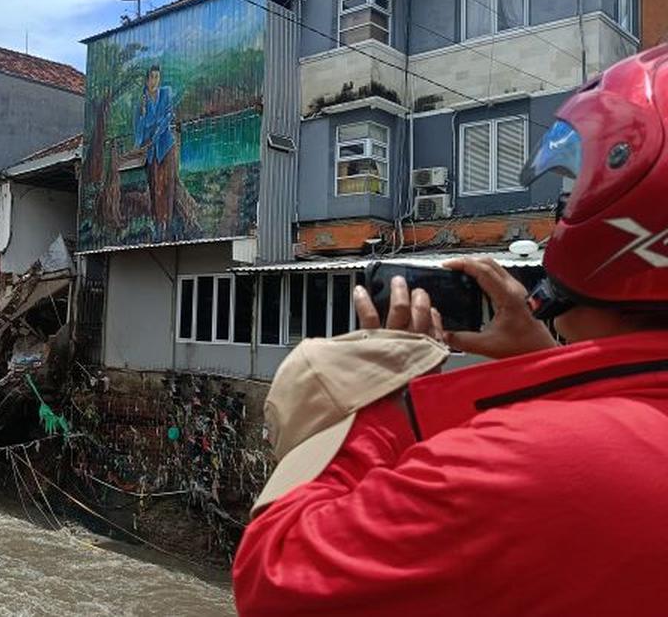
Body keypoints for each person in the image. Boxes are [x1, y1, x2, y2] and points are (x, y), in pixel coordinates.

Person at [233, 45, 668, 616]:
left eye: (571, 191)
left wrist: (378, 404)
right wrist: (544, 368)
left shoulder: (530, 464)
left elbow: (276, 577)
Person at [133, 65, 178, 233]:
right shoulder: (141, 102)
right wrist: (144, 114)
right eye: (152, 77)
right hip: (151, 151)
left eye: (157, 77)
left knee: (168, 183)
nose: (154, 81)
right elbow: (139, 130)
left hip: (165, 144)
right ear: (147, 79)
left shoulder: (166, 93)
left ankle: (169, 222)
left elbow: (168, 115)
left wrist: (156, 133)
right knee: (155, 186)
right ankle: (159, 224)